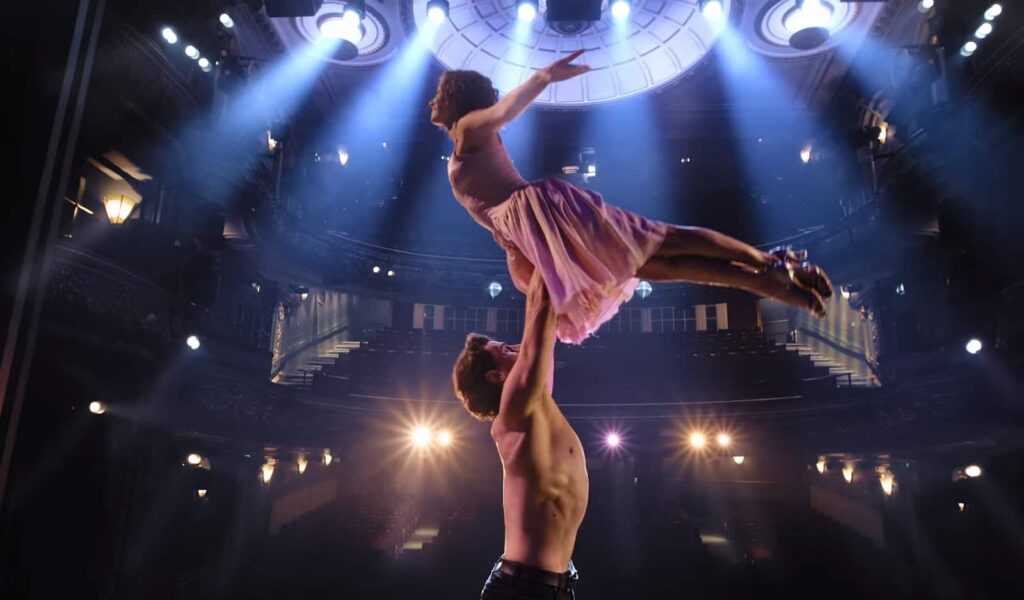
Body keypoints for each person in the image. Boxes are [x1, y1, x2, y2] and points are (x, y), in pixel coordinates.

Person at [429, 50, 834, 344]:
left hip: (545, 219)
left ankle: (774, 266)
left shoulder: (467, 130)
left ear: (456, 99)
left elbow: (500, 113)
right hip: (532, 232)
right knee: (662, 261)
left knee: (665, 246)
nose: (432, 100)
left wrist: (543, 78)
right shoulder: (469, 138)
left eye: (439, 93)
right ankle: (776, 278)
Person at [453, 270, 585, 599]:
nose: (516, 347)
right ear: (497, 376)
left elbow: (543, 325)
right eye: (506, 350)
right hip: (523, 590)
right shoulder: (512, 418)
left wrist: (522, 255)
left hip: (554, 586)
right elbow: (540, 314)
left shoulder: (538, 403)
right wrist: (545, 236)